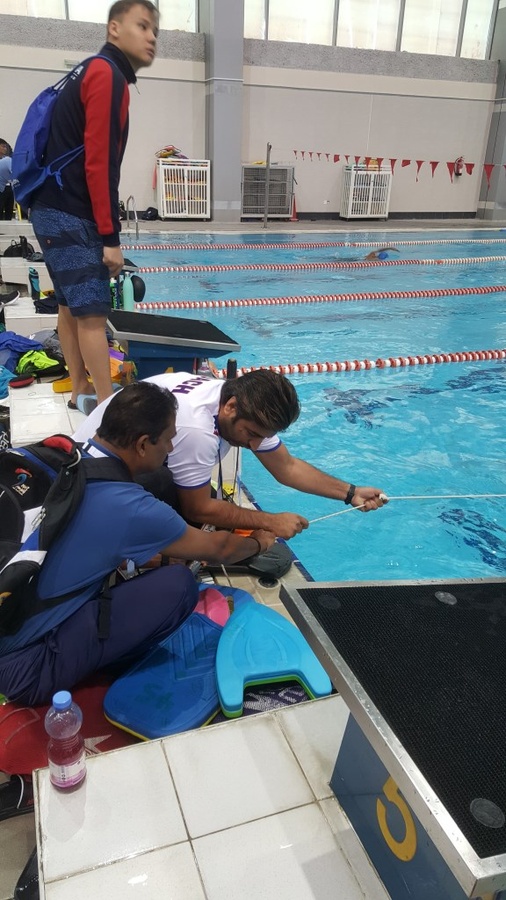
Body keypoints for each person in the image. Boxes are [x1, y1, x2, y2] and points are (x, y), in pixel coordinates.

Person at [0, 382, 276, 707]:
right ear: (144, 444)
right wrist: (259, 542)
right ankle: (103, 661)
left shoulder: (61, 453)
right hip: (22, 667)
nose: (172, 447)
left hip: (13, 605)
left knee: (159, 481)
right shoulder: (131, 508)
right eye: (169, 438)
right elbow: (220, 549)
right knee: (178, 586)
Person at [28, 1, 159, 413]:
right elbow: (100, 162)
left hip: (48, 206)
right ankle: (106, 411)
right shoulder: (108, 74)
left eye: (155, 29)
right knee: (91, 315)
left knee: (68, 307)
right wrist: (111, 237)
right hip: (70, 211)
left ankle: (80, 390)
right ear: (114, 29)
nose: (152, 36)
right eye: (142, 25)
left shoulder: (88, 69)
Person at [74, 370, 388, 540]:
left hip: (109, 459)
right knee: (211, 520)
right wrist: (270, 522)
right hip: (94, 486)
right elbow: (198, 509)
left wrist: (350, 493)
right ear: (231, 408)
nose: (255, 446)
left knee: (220, 510)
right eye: (251, 434)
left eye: (262, 437)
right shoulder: (197, 430)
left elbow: (287, 467)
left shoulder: (233, 400)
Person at [0, 143, 13, 221]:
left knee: (9, 209)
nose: (5, 149)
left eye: (6, 147)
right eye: (3, 146)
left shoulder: (8, 160)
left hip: (8, 187)